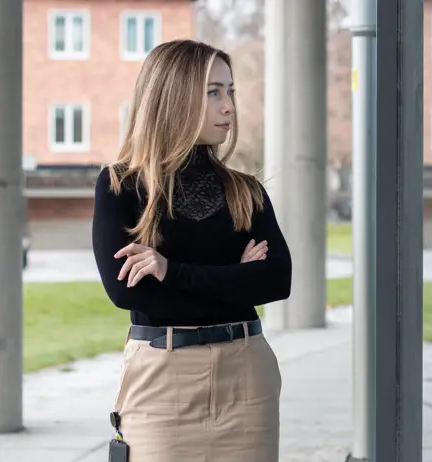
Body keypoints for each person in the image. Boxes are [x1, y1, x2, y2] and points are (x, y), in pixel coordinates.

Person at [91, 39, 291, 462]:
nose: (229, 107)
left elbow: (278, 279)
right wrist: (235, 278)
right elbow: (129, 294)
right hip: (161, 384)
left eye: (230, 91)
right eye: (214, 92)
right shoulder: (121, 187)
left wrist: (171, 270)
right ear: (174, 95)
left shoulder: (246, 190)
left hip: (247, 377)